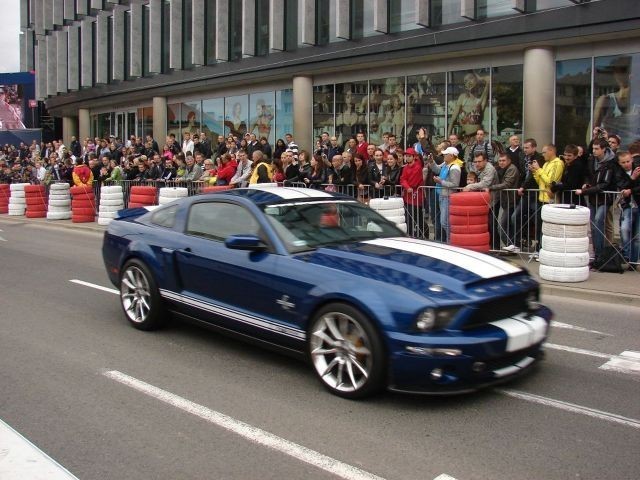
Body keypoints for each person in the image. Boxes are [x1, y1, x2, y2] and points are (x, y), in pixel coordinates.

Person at [505, 138, 545, 253]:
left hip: (535, 193)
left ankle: (539, 248)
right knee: (515, 217)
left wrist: (524, 186)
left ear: (534, 147)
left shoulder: (539, 158)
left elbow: (533, 176)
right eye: (524, 147)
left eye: (527, 147)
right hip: (526, 194)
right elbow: (523, 173)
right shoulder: (523, 157)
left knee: (538, 221)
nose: (525, 149)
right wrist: (520, 186)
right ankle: (516, 243)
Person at [429, 146, 462, 242]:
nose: (444, 155)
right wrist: (431, 161)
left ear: (451, 156)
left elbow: (455, 184)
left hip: (448, 196)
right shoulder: (446, 163)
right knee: (443, 222)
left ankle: (451, 242)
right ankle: (449, 241)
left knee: (445, 222)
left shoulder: (455, 168)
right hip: (442, 195)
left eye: (446, 154)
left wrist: (441, 182)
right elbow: (437, 169)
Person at [489, 153, 520, 249]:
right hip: (505, 201)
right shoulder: (501, 169)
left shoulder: (512, 169)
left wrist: (491, 187)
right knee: (506, 225)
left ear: (509, 161)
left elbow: (506, 184)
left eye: (503, 160)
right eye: (500, 161)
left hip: (511, 201)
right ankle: (511, 246)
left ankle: (511, 246)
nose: (501, 163)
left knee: (501, 226)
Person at [448, 71, 490, 138]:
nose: (468, 82)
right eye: (465, 81)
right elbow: (453, 120)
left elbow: (488, 80)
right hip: (465, 138)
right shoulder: (462, 98)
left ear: (476, 80)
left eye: (471, 78)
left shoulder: (480, 100)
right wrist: (448, 138)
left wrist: (480, 78)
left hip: (477, 138)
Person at [617, 151, 640, 265]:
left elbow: (635, 188)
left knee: (637, 235)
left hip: (638, 204)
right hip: (627, 206)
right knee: (624, 229)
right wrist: (632, 178)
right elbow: (621, 186)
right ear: (619, 163)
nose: (626, 164)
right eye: (623, 162)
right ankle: (627, 255)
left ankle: (633, 262)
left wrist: (631, 190)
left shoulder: (638, 169)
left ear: (632, 160)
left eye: (628, 161)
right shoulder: (619, 173)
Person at [400, 148, 425, 237]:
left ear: (414, 157)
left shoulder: (418, 167)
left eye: (409, 156)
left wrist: (407, 186)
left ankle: (422, 234)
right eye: (406, 156)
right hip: (408, 195)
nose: (407, 158)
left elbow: (414, 182)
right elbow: (402, 179)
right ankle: (410, 234)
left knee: (416, 217)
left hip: (416, 196)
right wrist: (407, 187)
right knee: (409, 216)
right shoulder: (406, 167)